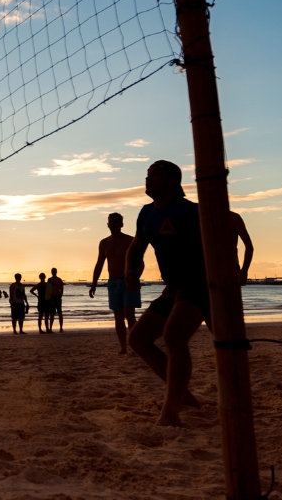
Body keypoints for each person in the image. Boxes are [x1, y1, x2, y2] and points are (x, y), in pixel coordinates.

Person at [126, 160, 210, 427]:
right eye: (147, 174)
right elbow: (137, 248)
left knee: (174, 335)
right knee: (138, 339)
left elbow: (222, 242)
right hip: (173, 286)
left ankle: (171, 411)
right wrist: (130, 272)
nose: (148, 179)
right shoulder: (146, 213)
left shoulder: (191, 211)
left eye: (156, 175)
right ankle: (185, 398)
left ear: (173, 182)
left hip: (200, 283)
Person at [90, 212, 139, 354]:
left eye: (116, 221)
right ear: (107, 224)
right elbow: (99, 264)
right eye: (111, 221)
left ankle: (136, 346)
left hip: (128, 280)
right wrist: (94, 283)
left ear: (121, 224)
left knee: (130, 314)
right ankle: (123, 348)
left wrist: (135, 276)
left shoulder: (130, 240)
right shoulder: (104, 243)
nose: (113, 224)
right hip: (113, 282)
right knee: (118, 317)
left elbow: (140, 262)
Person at [228, 211, 254, 284]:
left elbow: (249, 246)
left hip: (231, 269)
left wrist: (244, 271)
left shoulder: (233, 217)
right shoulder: (203, 216)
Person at [46, 268, 66, 333]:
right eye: (52, 271)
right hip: (51, 298)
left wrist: (60, 296)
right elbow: (48, 289)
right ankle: (50, 328)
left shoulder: (59, 280)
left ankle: (61, 328)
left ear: (56, 272)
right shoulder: (49, 279)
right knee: (51, 313)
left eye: (54, 271)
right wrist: (49, 297)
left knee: (59, 313)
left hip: (57, 297)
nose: (53, 272)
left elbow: (61, 289)